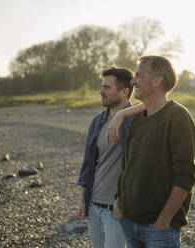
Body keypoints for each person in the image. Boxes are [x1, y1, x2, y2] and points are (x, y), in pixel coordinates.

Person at [113, 56, 195, 248]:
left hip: (159, 229)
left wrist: (163, 222)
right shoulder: (138, 120)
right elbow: (127, 165)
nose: (132, 81)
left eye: (138, 75)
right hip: (129, 220)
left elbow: (185, 176)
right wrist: (118, 203)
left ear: (156, 81)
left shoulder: (177, 117)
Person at [77, 66, 136, 248]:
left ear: (125, 91)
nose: (101, 91)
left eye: (107, 88)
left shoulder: (137, 119)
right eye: (102, 86)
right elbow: (89, 164)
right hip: (94, 206)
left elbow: (159, 104)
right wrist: (83, 199)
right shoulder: (97, 121)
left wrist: (123, 113)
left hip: (118, 210)